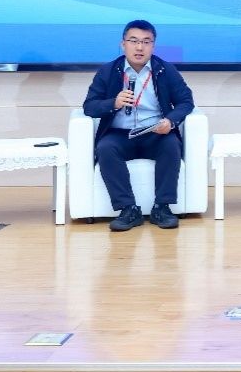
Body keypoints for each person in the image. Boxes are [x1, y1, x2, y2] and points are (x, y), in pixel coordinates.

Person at [82, 20, 195, 231]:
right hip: (120, 134)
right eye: (133, 41)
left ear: (153, 46)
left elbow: (186, 101)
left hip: (155, 132)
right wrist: (113, 103)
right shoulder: (108, 71)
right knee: (105, 148)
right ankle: (128, 209)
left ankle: (162, 207)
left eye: (146, 42)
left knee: (171, 145)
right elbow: (89, 107)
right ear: (123, 44)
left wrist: (170, 121)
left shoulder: (165, 70)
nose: (139, 47)